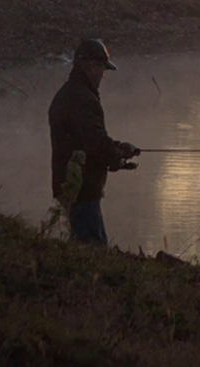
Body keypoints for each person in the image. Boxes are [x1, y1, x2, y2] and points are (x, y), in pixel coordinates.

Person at [48, 37, 139, 245]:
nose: (102, 76)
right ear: (90, 66)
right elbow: (96, 145)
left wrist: (118, 150)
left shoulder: (68, 93)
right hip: (83, 188)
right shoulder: (83, 99)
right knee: (92, 247)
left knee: (79, 245)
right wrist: (117, 157)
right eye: (102, 69)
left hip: (71, 184)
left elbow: (86, 140)